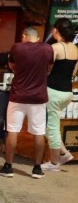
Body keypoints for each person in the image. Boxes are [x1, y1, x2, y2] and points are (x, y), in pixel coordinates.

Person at [0, 26, 53, 178]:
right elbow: (49, 68)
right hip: (38, 97)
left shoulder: (17, 48)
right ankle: (37, 168)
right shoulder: (47, 49)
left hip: (18, 96)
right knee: (39, 132)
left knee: (12, 130)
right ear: (37, 37)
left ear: (24, 36)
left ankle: (8, 166)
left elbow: (12, 66)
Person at [42, 18, 78, 170]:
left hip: (53, 92)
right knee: (48, 125)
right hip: (67, 92)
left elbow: (45, 69)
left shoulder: (55, 47)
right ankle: (63, 153)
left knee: (51, 127)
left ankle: (54, 163)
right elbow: (74, 72)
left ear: (56, 31)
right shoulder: (75, 49)